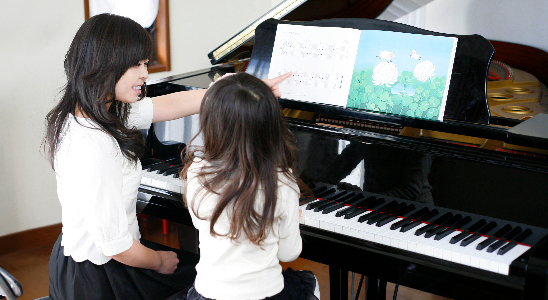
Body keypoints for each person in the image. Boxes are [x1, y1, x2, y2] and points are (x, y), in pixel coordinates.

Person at [43, 14, 291, 300]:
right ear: (105, 65)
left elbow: (167, 105)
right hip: (100, 279)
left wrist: (238, 90)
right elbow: (115, 246)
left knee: (204, 272)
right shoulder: (93, 145)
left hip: (92, 261)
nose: (144, 74)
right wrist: (159, 262)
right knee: (207, 281)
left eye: (145, 63)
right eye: (136, 64)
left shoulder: (93, 111)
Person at [181, 73, 320, 300]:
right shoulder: (281, 182)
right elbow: (289, 254)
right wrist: (294, 217)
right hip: (265, 295)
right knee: (308, 282)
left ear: (211, 121)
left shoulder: (197, 171)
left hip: (207, 294)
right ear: (271, 125)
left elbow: (199, 223)